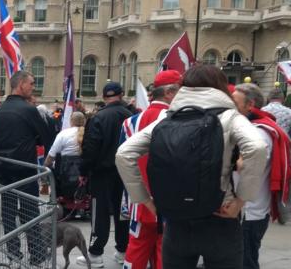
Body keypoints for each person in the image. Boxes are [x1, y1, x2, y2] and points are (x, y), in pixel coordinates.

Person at [116, 65, 268, 269]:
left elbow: (124, 154)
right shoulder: (230, 117)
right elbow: (257, 148)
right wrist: (241, 200)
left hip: (177, 218)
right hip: (220, 214)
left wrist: (146, 201)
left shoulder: (167, 117)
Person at [119, 70, 182, 269]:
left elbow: (123, 161)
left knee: (136, 250)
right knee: (166, 252)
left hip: (139, 201)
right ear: (170, 92)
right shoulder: (177, 118)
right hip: (169, 200)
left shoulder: (130, 122)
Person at [0, 70, 52, 265]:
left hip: (4, 168)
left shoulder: (0, 108)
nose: (33, 87)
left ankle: (13, 253)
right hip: (24, 169)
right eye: (32, 84)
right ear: (21, 85)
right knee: (29, 211)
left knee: (8, 212)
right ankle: (36, 254)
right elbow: (46, 136)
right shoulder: (28, 109)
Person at [233, 83, 290, 269]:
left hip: (249, 212)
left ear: (249, 105)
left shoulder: (257, 133)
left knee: (246, 262)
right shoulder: (254, 128)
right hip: (248, 210)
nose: (230, 107)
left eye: (234, 102)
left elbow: (248, 166)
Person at [76, 81, 132, 267]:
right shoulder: (131, 116)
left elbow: (90, 148)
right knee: (122, 211)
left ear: (104, 96)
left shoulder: (99, 117)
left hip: (102, 172)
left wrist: (83, 171)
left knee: (99, 212)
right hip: (125, 171)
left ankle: (95, 252)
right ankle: (123, 250)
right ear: (121, 94)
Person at [44, 111, 85, 201]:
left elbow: (51, 155)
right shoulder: (89, 133)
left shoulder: (63, 134)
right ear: (84, 121)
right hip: (85, 174)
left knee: (50, 171)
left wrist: (45, 166)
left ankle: (56, 197)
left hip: (66, 174)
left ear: (71, 121)